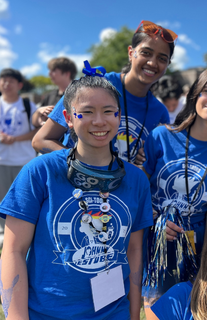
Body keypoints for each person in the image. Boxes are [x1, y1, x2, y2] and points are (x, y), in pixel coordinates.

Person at [0, 66, 153, 319]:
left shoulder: (136, 180)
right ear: (68, 118)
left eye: (108, 112)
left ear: (119, 115)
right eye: (87, 112)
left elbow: (135, 251)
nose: (99, 121)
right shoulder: (41, 171)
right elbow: (13, 250)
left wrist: (134, 316)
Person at [141, 67, 207, 318]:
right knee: (157, 313)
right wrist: (155, 221)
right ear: (195, 95)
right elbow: (138, 192)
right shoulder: (161, 137)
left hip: (199, 249)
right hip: (156, 247)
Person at [32, 20, 173, 161]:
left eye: (162, 58)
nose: (152, 63)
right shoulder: (93, 85)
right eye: (146, 53)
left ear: (168, 64)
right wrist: (83, 164)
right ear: (131, 53)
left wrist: (145, 159)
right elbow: (41, 140)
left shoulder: (160, 114)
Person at [0, 68, 39, 247]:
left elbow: (38, 130)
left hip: (24, 161)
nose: (6, 84)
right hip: (2, 161)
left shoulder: (28, 105)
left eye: (10, 81)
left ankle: (24, 237)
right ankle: (4, 235)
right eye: (3, 80)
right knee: (2, 199)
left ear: (19, 85)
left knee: (23, 201)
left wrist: (14, 139)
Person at [32, 57, 77, 127]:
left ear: (67, 73)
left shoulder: (78, 94)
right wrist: (38, 112)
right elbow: (35, 124)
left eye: (53, 70)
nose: (49, 73)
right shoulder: (49, 96)